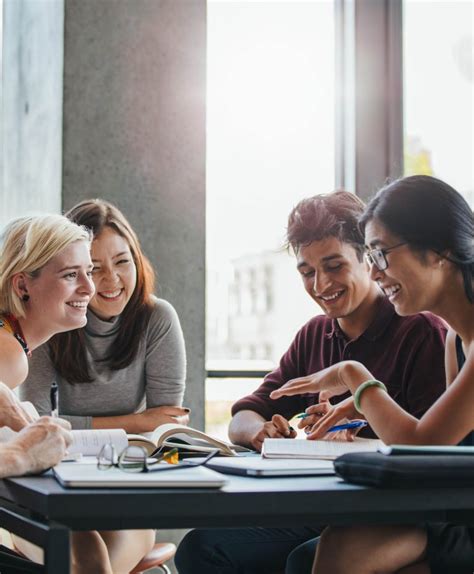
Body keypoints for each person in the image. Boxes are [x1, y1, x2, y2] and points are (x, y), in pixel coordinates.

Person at [175, 190, 448, 574]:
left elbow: (430, 453)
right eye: (307, 272)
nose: (320, 285)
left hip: (392, 513)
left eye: (334, 266)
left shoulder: (421, 331)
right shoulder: (315, 334)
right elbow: (244, 415)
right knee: (201, 548)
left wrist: (357, 441)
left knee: (304, 561)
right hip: (324, 509)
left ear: (367, 260)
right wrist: (261, 431)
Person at [271, 175, 474, 574]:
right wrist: (362, 408)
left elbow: (423, 446)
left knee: (334, 555)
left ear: (438, 250)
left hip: (462, 518)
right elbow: (443, 453)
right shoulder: (455, 340)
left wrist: (354, 376)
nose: (375, 272)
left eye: (381, 254)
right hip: (453, 510)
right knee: (318, 554)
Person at [0, 213, 154, 574]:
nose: (90, 287)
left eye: (89, 271)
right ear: (23, 286)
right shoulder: (9, 355)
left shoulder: (14, 344)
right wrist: (20, 454)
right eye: (72, 275)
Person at [21, 199, 188, 433]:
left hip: (136, 457)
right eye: (94, 268)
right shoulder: (48, 318)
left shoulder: (158, 317)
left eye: (122, 261)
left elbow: (164, 422)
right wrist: (137, 422)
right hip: (62, 457)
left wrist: (145, 424)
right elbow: (35, 423)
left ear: (137, 261)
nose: (112, 279)